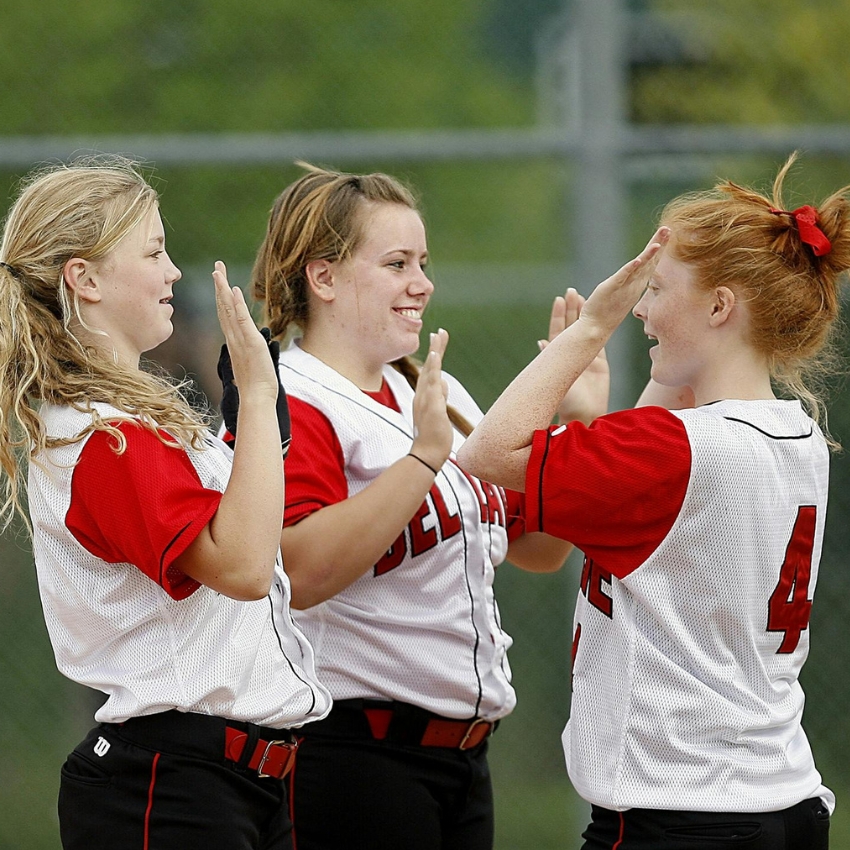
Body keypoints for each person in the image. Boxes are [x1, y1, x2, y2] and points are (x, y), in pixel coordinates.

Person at [457, 154, 850, 849]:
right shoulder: (797, 437)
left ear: (721, 306)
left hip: (679, 816)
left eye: (657, 289)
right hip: (780, 800)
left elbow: (487, 454)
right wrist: (592, 415)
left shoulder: (674, 451)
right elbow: (657, 476)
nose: (639, 307)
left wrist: (586, 333)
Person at [226, 163, 588, 850]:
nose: (422, 283)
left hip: (461, 760)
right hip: (351, 757)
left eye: (422, 262)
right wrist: (424, 458)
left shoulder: (434, 391)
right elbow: (297, 571)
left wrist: (576, 420)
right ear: (322, 277)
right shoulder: (289, 397)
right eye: (396, 263)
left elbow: (539, 549)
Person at [0, 157, 331, 850]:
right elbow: (240, 569)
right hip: (172, 787)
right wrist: (264, 400)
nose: (173, 270)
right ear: (83, 279)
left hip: (232, 782)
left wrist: (250, 433)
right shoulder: (104, 437)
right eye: (153, 251)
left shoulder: (134, 425)